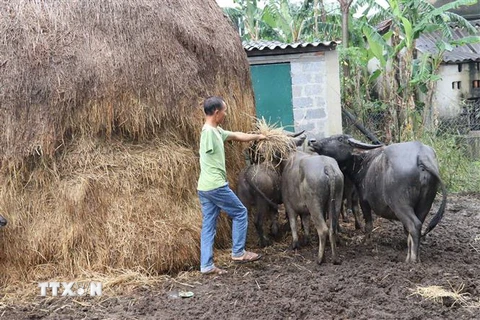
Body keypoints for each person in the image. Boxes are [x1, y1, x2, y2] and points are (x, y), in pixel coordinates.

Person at [197, 96, 266, 275]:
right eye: (224, 111)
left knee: (209, 224)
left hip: (204, 188)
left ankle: (206, 265)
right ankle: (238, 252)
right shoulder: (208, 133)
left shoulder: (216, 131)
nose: (226, 114)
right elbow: (207, 147)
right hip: (216, 186)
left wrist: (258, 136)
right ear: (217, 112)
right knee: (240, 212)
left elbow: (236, 135)